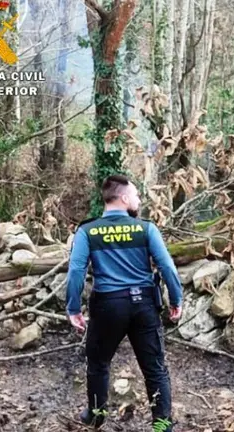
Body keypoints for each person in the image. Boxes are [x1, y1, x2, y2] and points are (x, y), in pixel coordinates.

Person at [65, 174, 183, 431]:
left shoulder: (87, 230)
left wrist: (73, 308)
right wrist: (176, 299)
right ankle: (162, 425)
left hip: (108, 306)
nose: (139, 199)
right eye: (137, 194)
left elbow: (75, 271)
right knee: (155, 369)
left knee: (98, 363)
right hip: (144, 306)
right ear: (125, 197)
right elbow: (167, 267)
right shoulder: (146, 228)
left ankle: (95, 416)